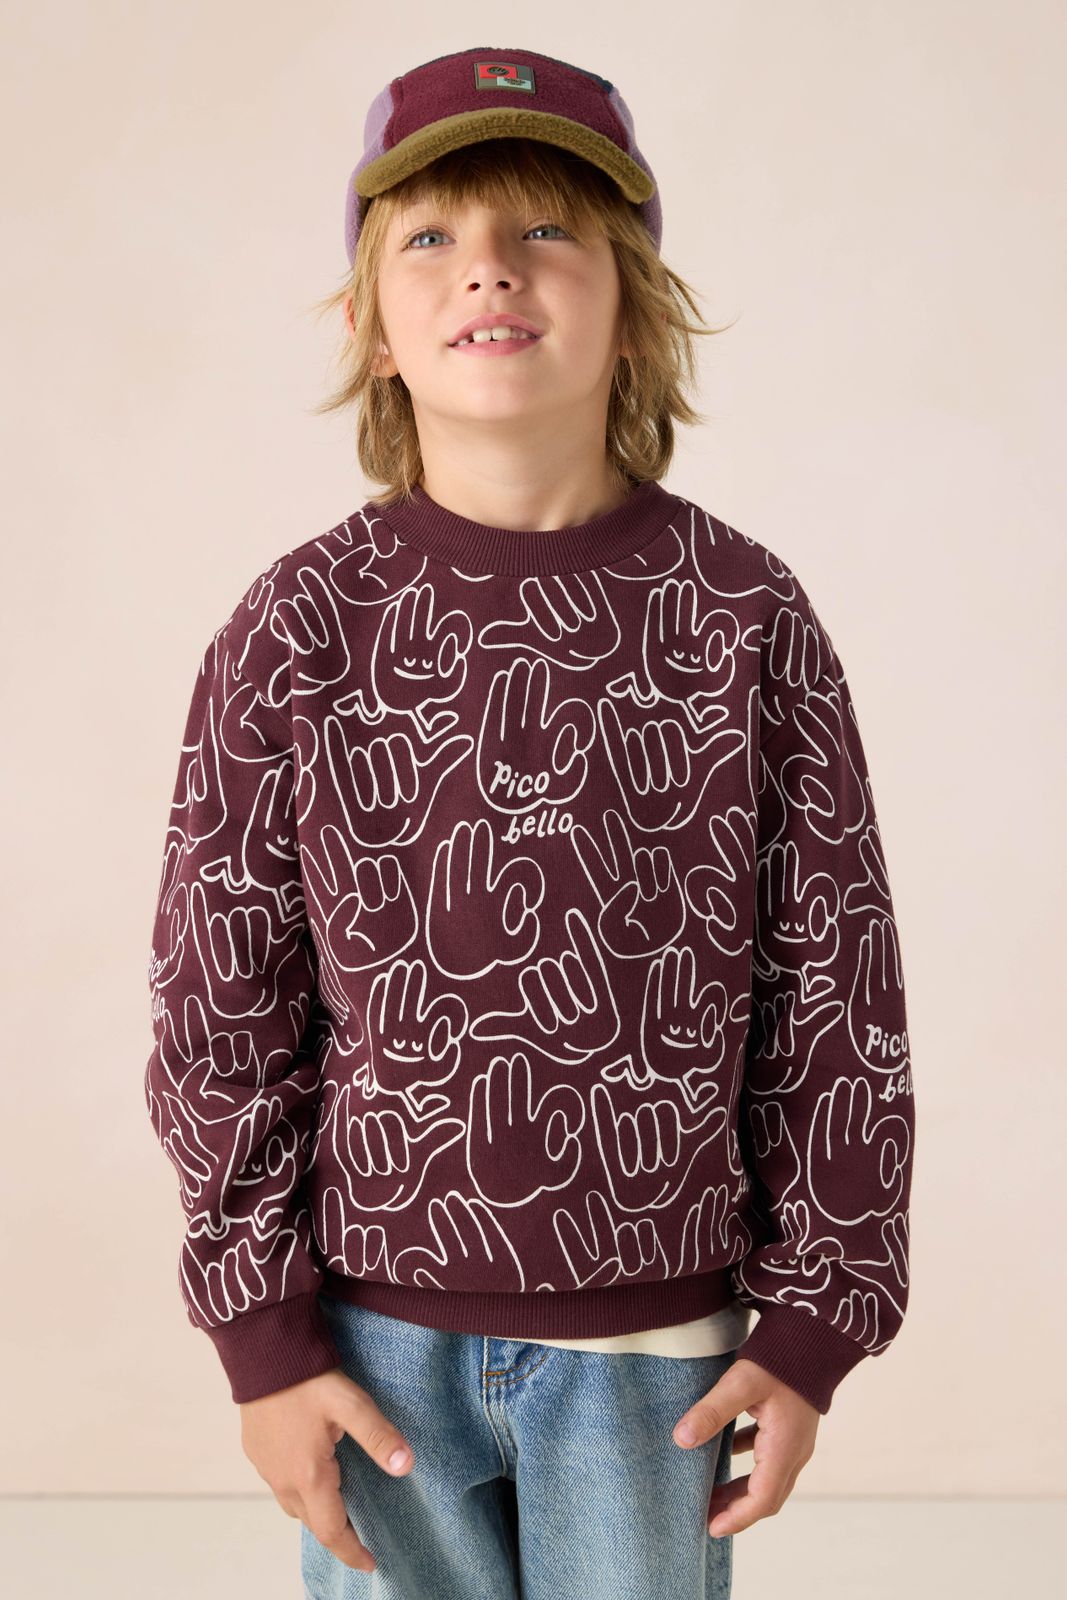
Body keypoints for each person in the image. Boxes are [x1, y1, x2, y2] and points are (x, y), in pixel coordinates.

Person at [143, 45, 915, 1600]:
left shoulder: (742, 616)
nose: (488, 267)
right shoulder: (298, 628)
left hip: (657, 1349)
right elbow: (219, 999)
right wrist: (261, 1339)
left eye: (545, 229)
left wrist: (817, 1323)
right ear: (371, 326)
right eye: (431, 236)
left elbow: (836, 986)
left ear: (633, 305)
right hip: (370, 1343)